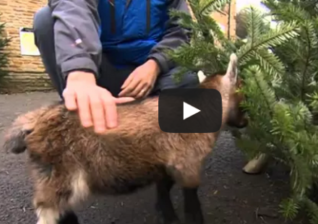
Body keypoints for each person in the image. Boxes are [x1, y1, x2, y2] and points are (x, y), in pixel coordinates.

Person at [33, 0, 199, 133]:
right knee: (45, 19)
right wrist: (80, 72)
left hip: (151, 72)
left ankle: (163, 147)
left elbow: (180, 31)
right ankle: (81, 114)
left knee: (187, 79)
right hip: (102, 70)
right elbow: (72, 9)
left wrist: (154, 65)